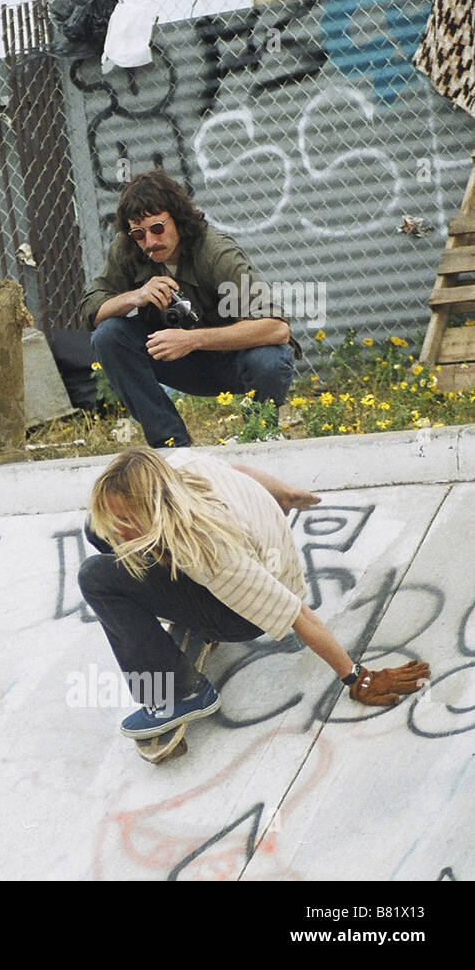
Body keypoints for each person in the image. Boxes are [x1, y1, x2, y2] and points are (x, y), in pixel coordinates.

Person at [78, 448, 431, 743]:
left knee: (97, 576)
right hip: (246, 557)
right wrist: (283, 494)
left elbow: (298, 614)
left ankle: (177, 695)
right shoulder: (181, 466)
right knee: (96, 528)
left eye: (127, 517)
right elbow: (238, 471)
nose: (120, 528)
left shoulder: (210, 552)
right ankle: (179, 603)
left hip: (238, 616)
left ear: (155, 504)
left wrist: (357, 677)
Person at [79, 170, 295, 447]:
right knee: (108, 335)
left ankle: (259, 433)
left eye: (157, 228)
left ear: (178, 219)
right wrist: (136, 296)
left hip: (235, 361)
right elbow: (90, 309)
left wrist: (193, 339)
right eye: (138, 233)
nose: (150, 241)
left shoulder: (215, 252)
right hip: (180, 363)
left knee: (270, 358)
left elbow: (277, 329)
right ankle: (171, 444)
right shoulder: (130, 249)